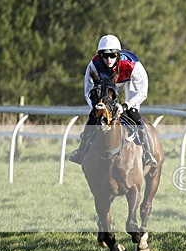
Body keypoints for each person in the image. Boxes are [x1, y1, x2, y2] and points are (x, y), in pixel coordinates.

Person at [68, 34, 158, 167]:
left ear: (118, 55)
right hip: (106, 86)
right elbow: (87, 92)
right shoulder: (94, 65)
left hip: (129, 83)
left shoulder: (132, 65)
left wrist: (126, 105)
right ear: (100, 55)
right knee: (94, 115)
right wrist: (95, 106)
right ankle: (81, 151)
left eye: (112, 55)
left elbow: (142, 92)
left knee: (133, 113)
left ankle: (148, 152)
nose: (108, 59)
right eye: (104, 56)